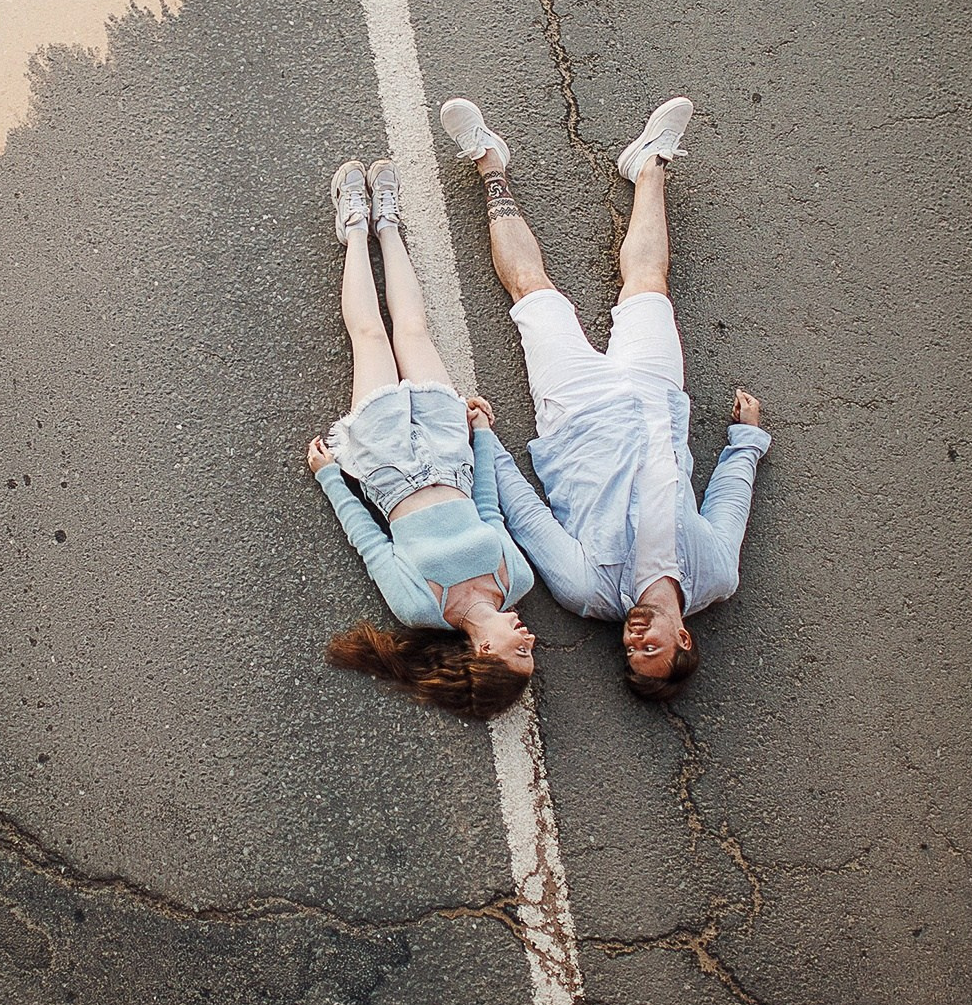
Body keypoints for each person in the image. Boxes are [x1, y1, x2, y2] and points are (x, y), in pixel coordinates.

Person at [438, 95, 771, 701]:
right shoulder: (715, 575)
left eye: (631, 652)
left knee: (532, 291)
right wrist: (745, 442)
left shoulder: (588, 591)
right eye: (653, 648)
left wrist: (484, 441)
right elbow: (729, 504)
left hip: (577, 417)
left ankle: (490, 165)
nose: (635, 639)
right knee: (648, 284)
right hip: (655, 400)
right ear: (685, 640)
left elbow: (528, 517)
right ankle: (649, 165)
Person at [307, 157, 539, 719]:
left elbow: (372, 544)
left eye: (520, 654)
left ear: (483, 653)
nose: (530, 641)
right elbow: (490, 511)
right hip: (449, 456)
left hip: (388, 469)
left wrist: (331, 479)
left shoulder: (420, 609)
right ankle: (388, 223)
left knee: (369, 337)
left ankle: (354, 229)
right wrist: (481, 436)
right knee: (414, 329)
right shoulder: (518, 581)